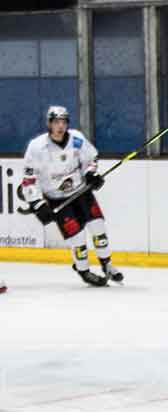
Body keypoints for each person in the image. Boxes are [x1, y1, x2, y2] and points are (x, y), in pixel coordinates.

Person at [20, 106, 121, 287]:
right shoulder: (36, 147)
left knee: (98, 227)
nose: (60, 126)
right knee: (77, 238)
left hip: (81, 192)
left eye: (63, 122)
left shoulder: (77, 139)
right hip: (57, 199)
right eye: (56, 122)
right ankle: (83, 270)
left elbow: (91, 158)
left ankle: (107, 264)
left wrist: (91, 173)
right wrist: (37, 203)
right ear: (49, 124)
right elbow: (29, 179)